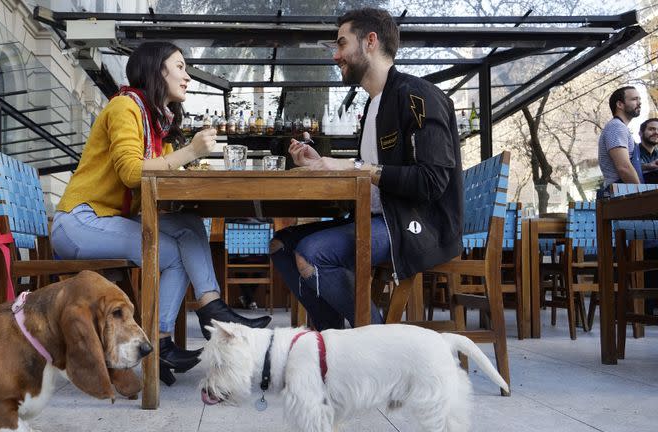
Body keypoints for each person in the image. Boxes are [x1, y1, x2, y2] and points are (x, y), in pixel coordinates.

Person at [50, 42, 271, 385]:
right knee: (173, 254)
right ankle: (172, 334)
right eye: (180, 67)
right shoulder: (125, 107)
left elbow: (164, 183)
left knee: (188, 224)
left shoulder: (156, 126)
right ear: (157, 70)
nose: (187, 76)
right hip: (80, 221)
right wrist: (191, 151)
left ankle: (207, 308)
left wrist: (186, 164)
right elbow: (130, 172)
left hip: (109, 219)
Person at [269, 8, 463, 330]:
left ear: (370, 41)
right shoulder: (372, 106)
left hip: (416, 226)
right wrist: (321, 163)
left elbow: (432, 181)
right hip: (373, 219)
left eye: (342, 44)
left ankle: (375, 350)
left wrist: (353, 165)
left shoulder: (418, 95)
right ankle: (332, 342)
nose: (336, 56)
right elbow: (370, 179)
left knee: (311, 253)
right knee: (281, 244)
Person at [597, 86, 644, 197]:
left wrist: (647, 166)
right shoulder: (616, 127)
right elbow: (624, 167)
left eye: (640, 99)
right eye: (634, 99)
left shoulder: (620, 127)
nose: (640, 103)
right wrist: (642, 196)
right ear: (619, 105)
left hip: (623, 193)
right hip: (622, 195)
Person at [638, 117, 658, 184]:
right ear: (640, 133)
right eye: (652, 129)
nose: (656, 132)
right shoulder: (632, 151)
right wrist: (646, 166)